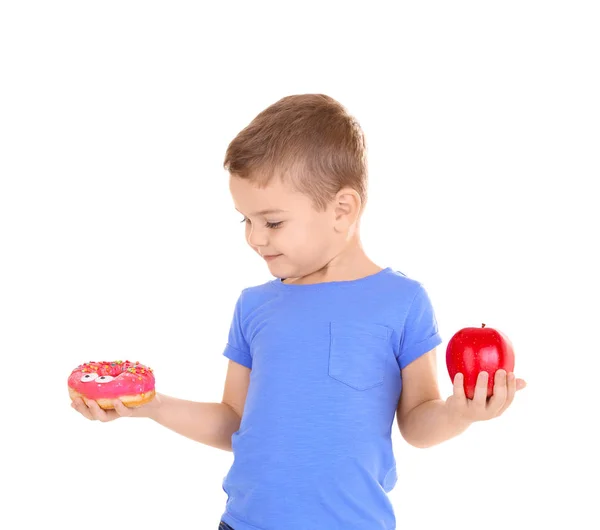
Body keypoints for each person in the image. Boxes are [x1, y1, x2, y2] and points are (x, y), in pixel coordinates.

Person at [71, 94, 527, 530]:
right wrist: (150, 406)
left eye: (272, 222)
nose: (254, 238)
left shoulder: (402, 302)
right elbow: (234, 422)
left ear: (342, 209)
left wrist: (462, 412)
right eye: (245, 220)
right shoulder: (254, 306)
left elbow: (419, 423)